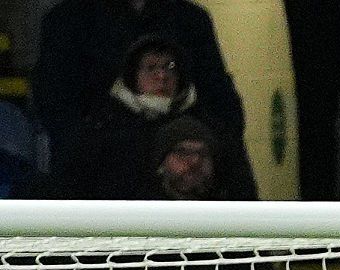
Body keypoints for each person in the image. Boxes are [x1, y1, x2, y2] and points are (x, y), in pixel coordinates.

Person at [35, 0, 244, 173]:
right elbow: (57, 111)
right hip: (101, 174)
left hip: (185, 175)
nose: (161, 77)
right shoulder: (68, 22)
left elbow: (224, 110)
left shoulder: (190, 20)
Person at [50, 34, 255, 200]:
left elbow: (239, 188)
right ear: (132, 75)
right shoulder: (102, 130)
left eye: (170, 67)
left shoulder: (209, 127)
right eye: (151, 68)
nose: (162, 76)